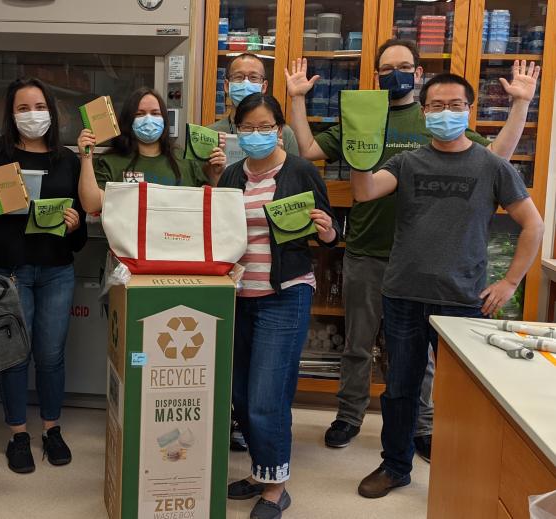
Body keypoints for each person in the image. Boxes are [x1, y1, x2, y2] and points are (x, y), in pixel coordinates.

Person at [285, 39, 541, 458]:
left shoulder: (457, 137)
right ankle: (351, 417)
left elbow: (496, 161)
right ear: (377, 76)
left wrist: (520, 107)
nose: (444, 113)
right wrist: (300, 102)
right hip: (370, 250)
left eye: (405, 66)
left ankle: (423, 427)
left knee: (424, 362)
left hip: (444, 269)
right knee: (360, 344)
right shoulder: (367, 117)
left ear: (419, 74)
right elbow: (324, 159)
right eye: (388, 68)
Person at [350, 73, 543, 498]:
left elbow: (533, 224)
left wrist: (510, 282)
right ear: (424, 111)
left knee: (464, 397)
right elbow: (365, 192)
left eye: (455, 104)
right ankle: (395, 466)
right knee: (400, 389)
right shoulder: (407, 162)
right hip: (402, 295)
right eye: (436, 105)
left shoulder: (491, 166)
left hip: (462, 301)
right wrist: (358, 147)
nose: (445, 112)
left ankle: (465, 470)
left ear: (469, 109)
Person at [219, 93, 340, 519]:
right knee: (239, 394)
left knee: (266, 397)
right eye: (247, 127)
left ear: (279, 127)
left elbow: (330, 233)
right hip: (237, 298)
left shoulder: (301, 170)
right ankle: (259, 468)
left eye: (264, 126)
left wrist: (325, 230)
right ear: (237, 130)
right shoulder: (232, 176)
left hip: (284, 295)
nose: (256, 135)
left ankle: (275, 489)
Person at [0, 78, 87, 474]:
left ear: (51, 112)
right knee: (14, 355)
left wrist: (74, 224)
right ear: (10, 113)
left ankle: (51, 429)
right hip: (7, 271)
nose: (32, 115)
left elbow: (80, 226)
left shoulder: (68, 160)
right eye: (23, 108)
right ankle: (18, 434)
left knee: (51, 355)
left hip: (56, 269)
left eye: (39, 106)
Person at [78, 87, 226, 213]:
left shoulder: (186, 159)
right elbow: (91, 205)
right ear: (128, 119)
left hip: (178, 243)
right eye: (139, 114)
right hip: (128, 246)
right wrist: (86, 157)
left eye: (155, 113)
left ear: (165, 119)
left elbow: (212, 207)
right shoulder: (111, 162)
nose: (148, 119)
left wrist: (215, 174)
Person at [210, 53, 299, 157]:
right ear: (226, 85)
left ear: (263, 87)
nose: (246, 83)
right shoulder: (212, 134)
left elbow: (296, 171)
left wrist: (279, 158)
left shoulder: (283, 133)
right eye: (238, 77)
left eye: (254, 77)